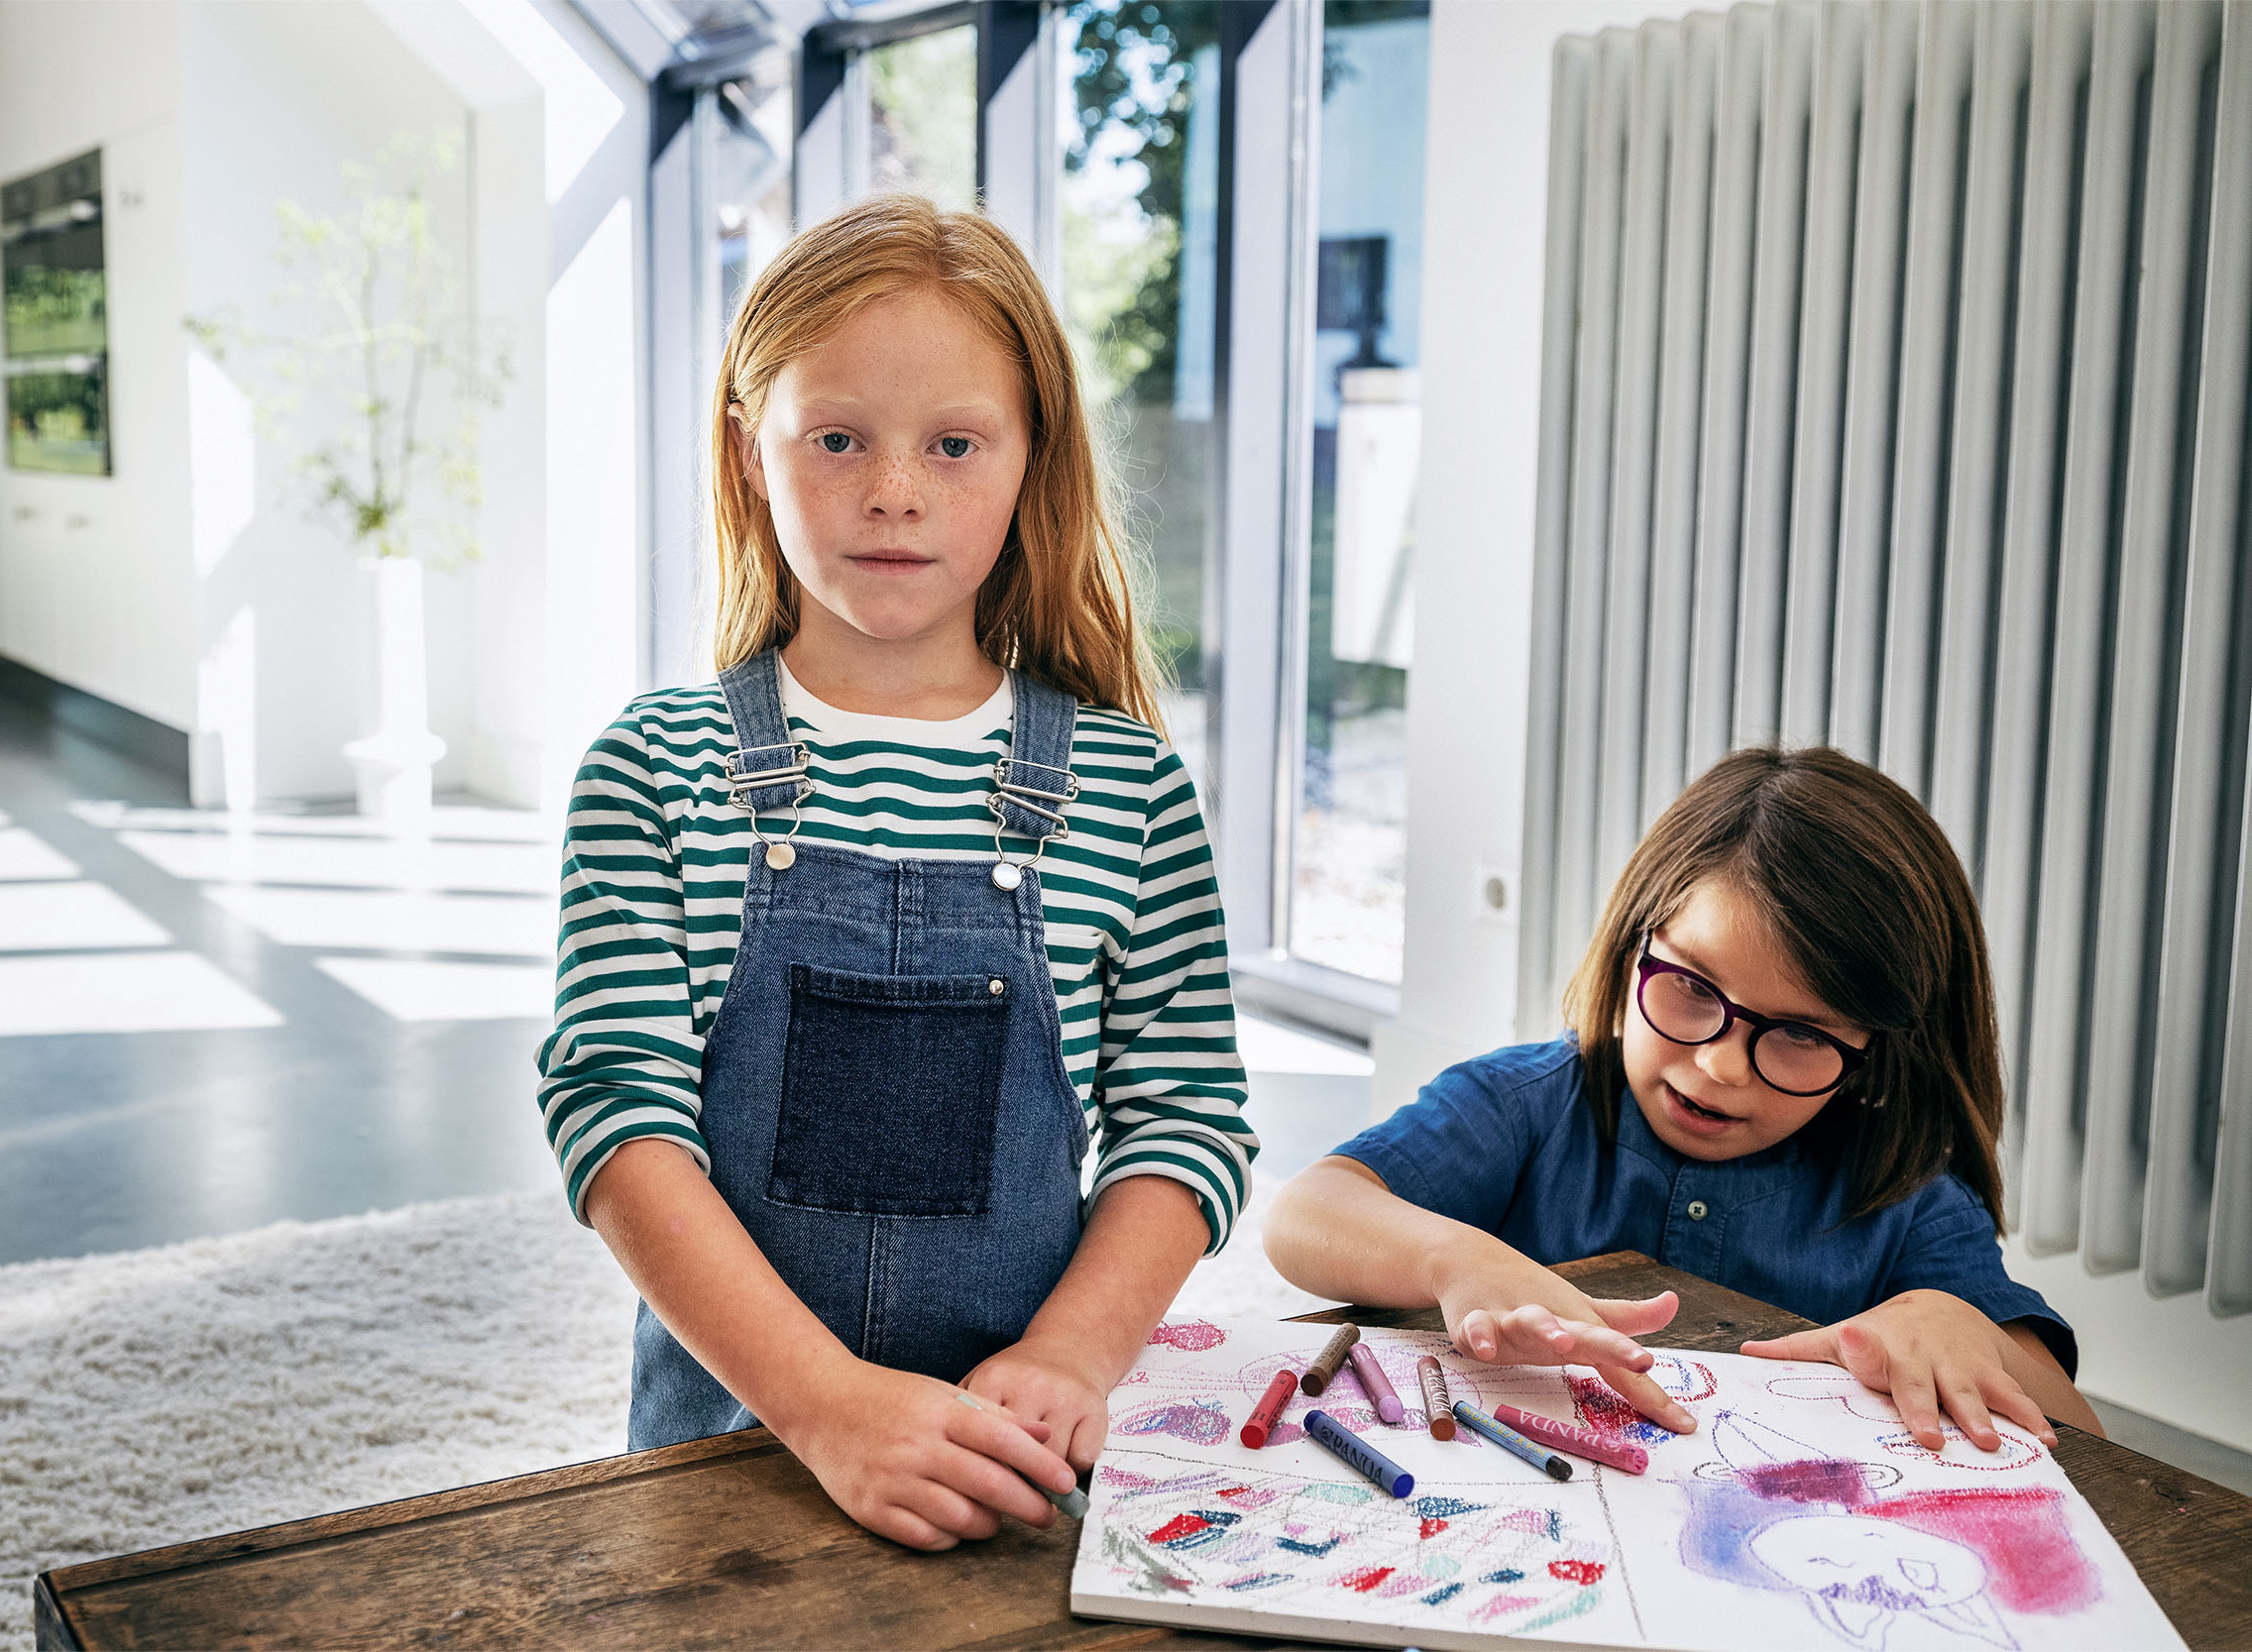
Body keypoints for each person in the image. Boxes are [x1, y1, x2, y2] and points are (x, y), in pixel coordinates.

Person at [536, 194, 1257, 1551]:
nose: (894, 488)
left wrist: (1071, 1358)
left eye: (952, 441)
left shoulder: (1131, 786)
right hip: (731, 1448)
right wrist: (824, 1406)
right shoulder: (651, 765)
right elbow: (615, 1120)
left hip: (1015, 1450)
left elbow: (1186, 1117)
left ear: (1030, 461)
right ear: (750, 451)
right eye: (837, 436)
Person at [1264, 745, 2099, 1454]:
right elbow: (1305, 1212)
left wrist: (1957, 1322)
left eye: (1802, 1034)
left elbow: (2074, 1424)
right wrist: (1456, 1259)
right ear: (1634, 943)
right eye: (1691, 988)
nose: (1719, 1064)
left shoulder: (1904, 1190)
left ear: (1876, 1053)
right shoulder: (1529, 1101)